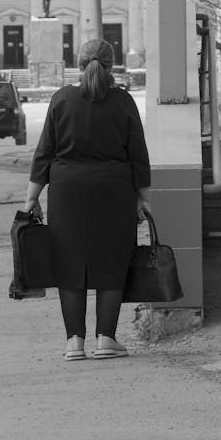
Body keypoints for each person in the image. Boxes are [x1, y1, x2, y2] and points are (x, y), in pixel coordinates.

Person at [23, 38, 151, 361]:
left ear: (78, 65)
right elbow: (138, 155)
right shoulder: (123, 102)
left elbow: (44, 155)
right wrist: (143, 199)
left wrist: (31, 200)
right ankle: (106, 339)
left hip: (67, 194)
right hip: (115, 192)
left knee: (69, 265)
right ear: (112, 65)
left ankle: (74, 343)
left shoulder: (61, 100)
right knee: (112, 262)